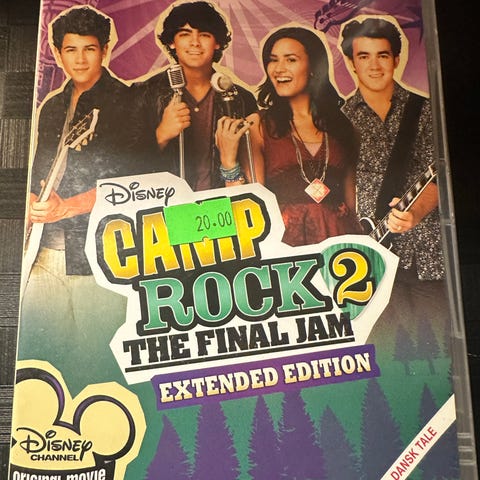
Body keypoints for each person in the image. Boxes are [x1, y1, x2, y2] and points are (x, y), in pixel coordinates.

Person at [18, 6, 131, 394]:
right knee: (43, 357)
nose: (80, 59)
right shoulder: (52, 106)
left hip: (99, 252)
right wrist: (30, 205)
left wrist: (67, 207)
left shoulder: (127, 102)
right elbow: (37, 172)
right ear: (57, 52)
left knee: (96, 359)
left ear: (105, 51)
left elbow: (134, 184)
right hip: (43, 249)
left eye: (89, 49)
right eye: (70, 50)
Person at [339, 17, 446, 348]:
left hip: (425, 254)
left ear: (396, 59)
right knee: (384, 354)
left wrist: (415, 213)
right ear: (351, 62)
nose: (374, 66)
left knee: (438, 349)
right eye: (364, 56)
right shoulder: (338, 120)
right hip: (368, 261)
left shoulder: (427, 111)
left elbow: (439, 174)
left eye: (382, 55)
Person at [244, 26, 362, 246]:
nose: (279, 69)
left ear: (313, 67)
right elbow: (253, 200)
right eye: (273, 60)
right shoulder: (257, 125)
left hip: (340, 243)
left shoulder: (344, 128)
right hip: (285, 245)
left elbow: (352, 204)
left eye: (290, 60)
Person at [129, 1, 257, 191]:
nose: (195, 42)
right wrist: (161, 134)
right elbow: (124, 168)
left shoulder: (241, 99)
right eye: (185, 34)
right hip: (167, 204)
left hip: (221, 205)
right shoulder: (143, 94)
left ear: (217, 43)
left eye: (204, 34)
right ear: (172, 42)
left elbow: (254, 174)